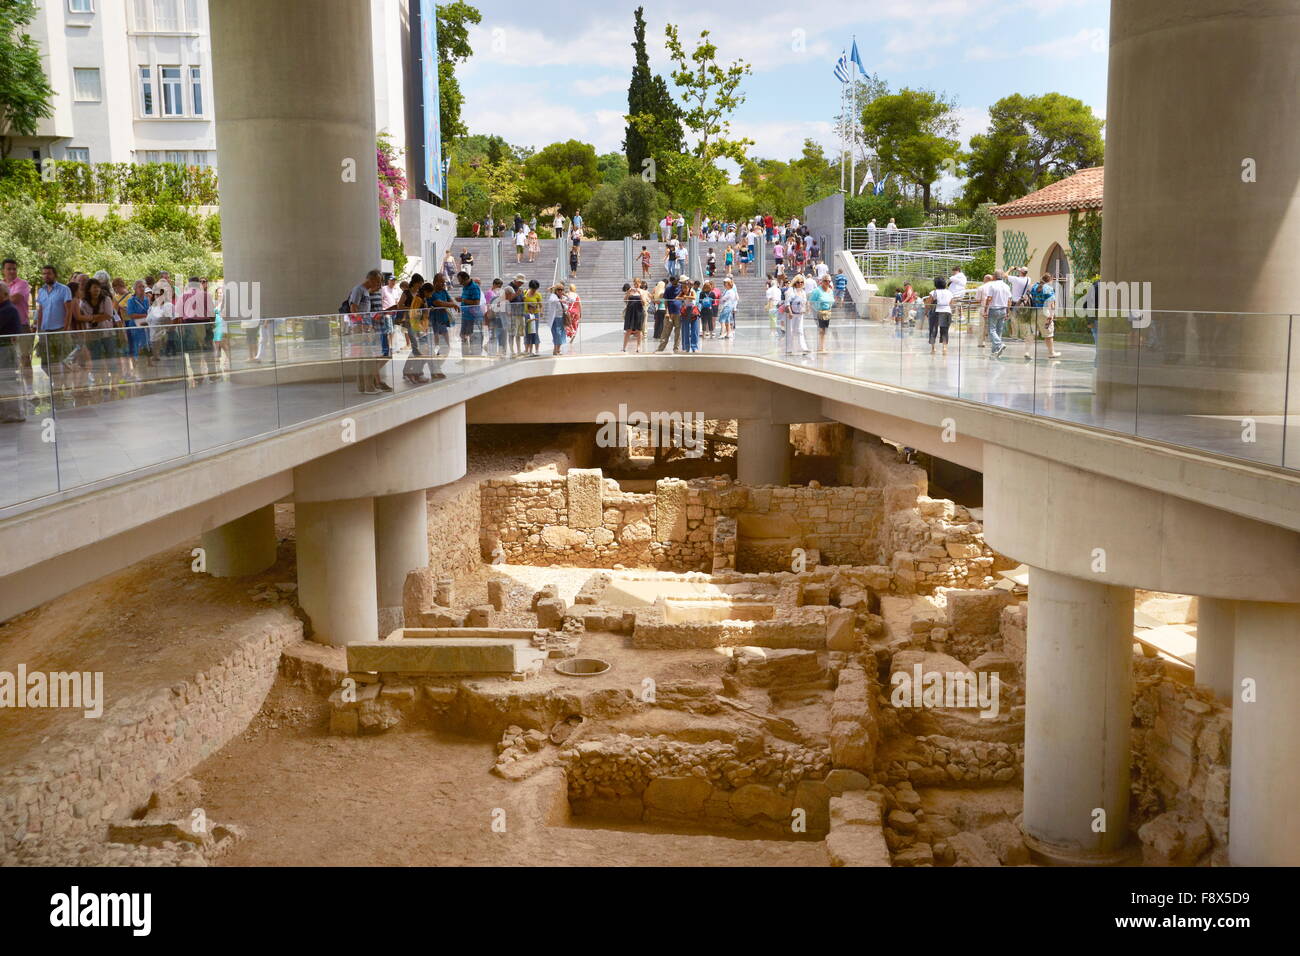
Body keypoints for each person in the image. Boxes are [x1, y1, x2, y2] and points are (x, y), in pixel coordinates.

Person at [347, 269, 389, 393]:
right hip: (361, 329)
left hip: (365, 327)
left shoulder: (365, 291)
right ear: (372, 279)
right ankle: (369, 387)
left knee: (364, 358)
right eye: (378, 281)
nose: (379, 284)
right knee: (368, 358)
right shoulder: (358, 290)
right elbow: (353, 308)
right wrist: (362, 326)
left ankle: (363, 387)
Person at [2, 259, 33, 407]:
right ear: (3, 270)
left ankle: (29, 391)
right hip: (5, 330)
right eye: (9, 269)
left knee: (25, 359)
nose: (12, 271)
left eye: (14, 269)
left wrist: (4, 296)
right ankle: (12, 392)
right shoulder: (1, 285)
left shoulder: (23, 284)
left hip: (21, 326)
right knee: (8, 361)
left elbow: (14, 299)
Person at [0, 282, 26, 422]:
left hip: (6, 351)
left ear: (4, 295)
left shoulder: (8, 309)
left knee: (8, 382)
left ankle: (13, 414)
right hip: (4, 350)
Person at [1025, 273, 1061, 360]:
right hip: (1044, 312)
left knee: (1032, 333)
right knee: (1048, 334)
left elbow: (1028, 296)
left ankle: (1027, 352)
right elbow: (1051, 304)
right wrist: (1051, 315)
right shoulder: (1049, 289)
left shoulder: (1033, 287)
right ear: (1050, 280)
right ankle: (1051, 353)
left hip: (1033, 312)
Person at [456, 270, 483, 356]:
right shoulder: (465, 286)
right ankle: (466, 355)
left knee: (473, 336)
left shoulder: (474, 287)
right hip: (465, 316)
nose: (460, 283)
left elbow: (476, 303)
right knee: (463, 335)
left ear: (466, 279)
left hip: (473, 317)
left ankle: (474, 355)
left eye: (461, 281)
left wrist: (463, 300)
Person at [985, 270, 1012, 357]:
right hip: (1003, 309)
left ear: (994, 276)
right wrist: (1008, 311)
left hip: (994, 309)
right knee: (999, 331)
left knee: (991, 330)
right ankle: (995, 351)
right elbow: (1009, 300)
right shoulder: (1006, 286)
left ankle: (999, 344)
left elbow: (989, 298)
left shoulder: (992, 285)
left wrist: (986, 309)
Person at [926, 275, 954, 356]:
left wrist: (926, 311)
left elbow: (928, 303)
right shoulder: (949, 292)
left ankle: (933, 348)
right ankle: (944, 348)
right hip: (946, 312)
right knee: (944, 330)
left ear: (935, 284)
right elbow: (951, 303)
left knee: (933, 330)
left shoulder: (933, 292)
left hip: (936, 312)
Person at [656, 275, 682, 352]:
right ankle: (661, 348)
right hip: (670, 313)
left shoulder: (681, 288)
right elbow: (666, 301)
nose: (673, 283)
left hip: (678, 312)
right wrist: (666, 312)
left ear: (677, 280)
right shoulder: (668, 289)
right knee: (666, 331)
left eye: (675, 281)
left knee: (677, 332)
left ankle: (676, 348)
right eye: (672, 282)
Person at [784, 276, 809, 355]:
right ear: (795, 283)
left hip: (800, 313)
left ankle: (803, 348)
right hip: (792, 314)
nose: (800, 284)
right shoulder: (791, 291)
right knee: (790, 330)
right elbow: (787, 302)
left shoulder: (803, 292)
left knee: (800, 330)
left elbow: (804, 302)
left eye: (802, 282)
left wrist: (805, 309)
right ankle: (789, 349)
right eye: (798, 282)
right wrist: (790, 312)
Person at [621, 281, 645, 353]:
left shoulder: (642, 291)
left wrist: (640, 294)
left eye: (637, 283)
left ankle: (638, 347)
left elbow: (644, 302)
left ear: (640, 284)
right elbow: (625, 300)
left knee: (639, 330)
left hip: (639, 312)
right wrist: (628, 293)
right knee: (628, 330)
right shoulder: (630, 291)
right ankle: (624, 347)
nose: (636, 285)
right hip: (630, 312)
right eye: (635, 283)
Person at [679, 279, 701, 353]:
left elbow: (694, 297)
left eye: (686, 287)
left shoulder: (692, 291)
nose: (684, 289)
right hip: (686, 310)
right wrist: (682, 297)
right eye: (683, 288)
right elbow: (677, 297)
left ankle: (694, 347)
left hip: (693, 310)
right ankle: (686, 347)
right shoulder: (682, 292)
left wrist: (686, 297)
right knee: (685, 330)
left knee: (694, 330)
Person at [545, 282, 567, 355]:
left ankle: (558, 350)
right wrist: (560, 300)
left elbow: (572, 300)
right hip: (555, 319)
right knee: (556, 334)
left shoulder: (563, 297)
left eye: (562, 289)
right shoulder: (553, 296)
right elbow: (552, 300)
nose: (560, 291)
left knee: (561, 334)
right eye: (558, 290)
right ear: (556, 290)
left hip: (562, 319)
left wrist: (565, 295)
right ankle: (555, 350)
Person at [522, 280, 542, 355]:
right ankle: (527, 349)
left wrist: (541, 311)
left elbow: (541, 305)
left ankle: (536, 349)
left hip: (535, 314)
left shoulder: (538, 295)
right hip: (526, 314)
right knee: (527, 332)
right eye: (533, 289)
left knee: (535, 331)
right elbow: (521, 302)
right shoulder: (525, 293)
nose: (534, 290)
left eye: (536, 289)